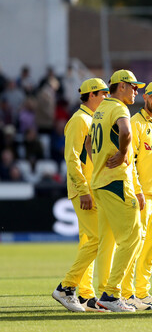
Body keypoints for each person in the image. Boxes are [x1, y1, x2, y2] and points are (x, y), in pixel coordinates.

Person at [86, 70, 144, 312]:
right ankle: (111, 294)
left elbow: (88, 142)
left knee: (115, 240)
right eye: (133, 87)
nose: (136, 91)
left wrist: (97, 162)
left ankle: (107, 293)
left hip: (100, 181)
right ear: (121, 86)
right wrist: (121, 154)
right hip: (116, 183)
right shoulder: (119, 108)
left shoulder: (100, 110)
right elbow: (126, 132)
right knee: (133, 237)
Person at [51, 78, 109, 312]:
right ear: (92, 95)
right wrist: (83, 189)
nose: (107, 97)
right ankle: (66, 287)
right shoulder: (79, 120)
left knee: (90, 241)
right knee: (96, 240)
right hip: (83, 189)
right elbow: (72, 158)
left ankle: (85, 294)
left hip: (92, 188)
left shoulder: (92, 119)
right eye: (104, 93)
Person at [120, 82, 152, 310]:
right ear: (146, 98)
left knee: (150, 248)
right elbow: (130, 163)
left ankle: (142, 292)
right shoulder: (135, 123)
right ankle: (127, 293)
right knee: (135, 246)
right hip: (140, 196)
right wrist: (137, 191)